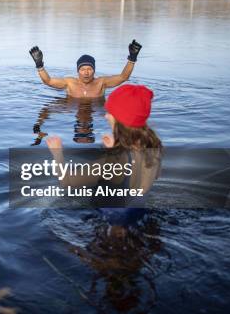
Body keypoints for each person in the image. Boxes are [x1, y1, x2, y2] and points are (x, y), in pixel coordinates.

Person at [46, 84, 162, 224]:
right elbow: (141, 174)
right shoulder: (154, 149)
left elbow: (67, 183)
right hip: (139, 217)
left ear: (120, 118)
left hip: (110, 226)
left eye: (110, 111)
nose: (106, 115)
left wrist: (57, 153)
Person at [29, 40, 142, 98]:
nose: (86, 72)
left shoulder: (102, 83)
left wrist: (132, 58)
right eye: (83, 69)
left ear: (94, 70)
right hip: (72, 107)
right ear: (78, 71)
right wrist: (39, 65)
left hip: (95, 110)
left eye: (89, 69)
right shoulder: (69, 83)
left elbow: (124, 77)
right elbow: (47, 81)